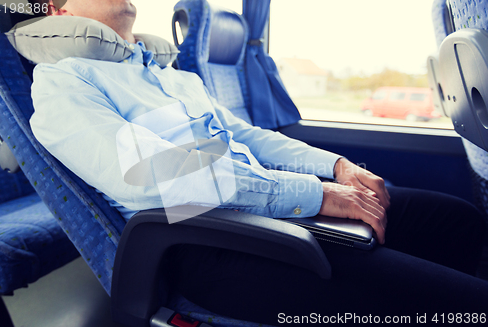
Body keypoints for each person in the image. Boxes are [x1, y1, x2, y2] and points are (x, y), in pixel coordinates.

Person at [28, 0, 488, 325]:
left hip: (265, 205)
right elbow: (152, 175)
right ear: (55, 9)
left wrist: (335, 167)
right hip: (212, 239)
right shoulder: (62, 83)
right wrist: (315, 193)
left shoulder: (165, 75)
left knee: (457, 223)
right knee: (469, 307)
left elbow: (247, 138)